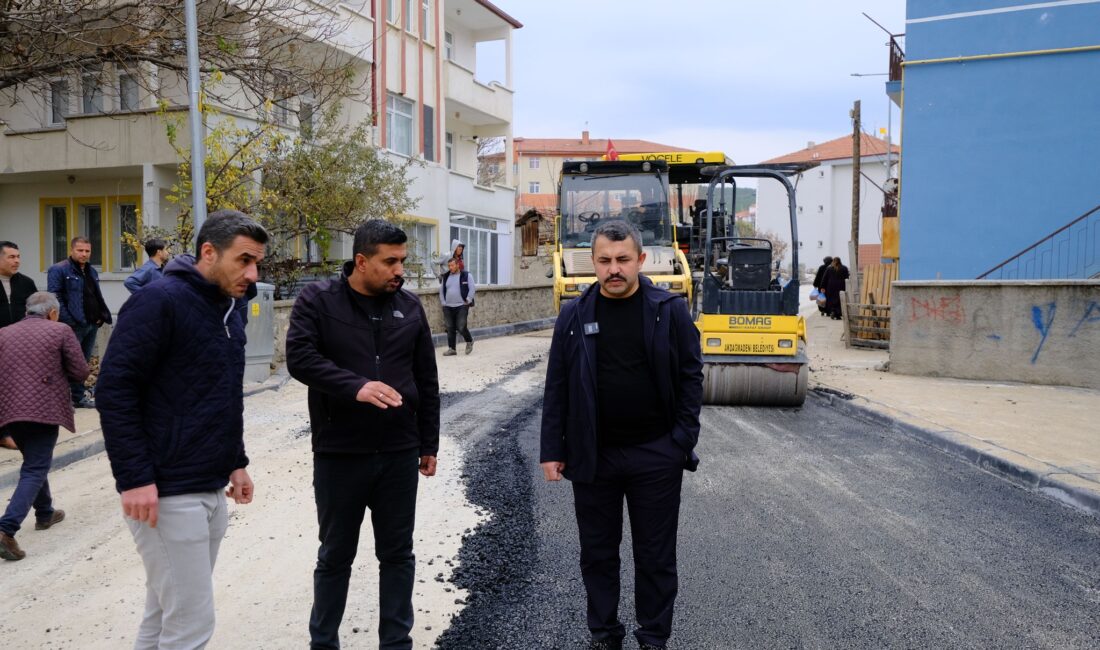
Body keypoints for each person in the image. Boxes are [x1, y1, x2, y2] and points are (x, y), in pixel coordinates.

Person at [96, 210, 268, 648]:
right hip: (168, 492)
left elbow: (221, 395)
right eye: (244, 260)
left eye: (257, 263)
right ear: (208, 252)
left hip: (209, 486)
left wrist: (236, 462)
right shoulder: (159, 300)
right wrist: (134, 478)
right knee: (190, 625)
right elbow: (115, 390)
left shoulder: (229, 309)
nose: (253, 273)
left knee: (164, 614)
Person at [540, 220, 704, 650]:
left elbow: (691, 375)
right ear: (593, 262)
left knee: (654, 555)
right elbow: (556, 384)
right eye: (605, 261)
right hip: (593, 457)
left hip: (656, 454)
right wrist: (551, 449)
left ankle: (653, 636)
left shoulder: (668, 310)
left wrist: (681, 441)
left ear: (640, 260)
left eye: (623, 260)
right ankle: (604, 633)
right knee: (597, 553)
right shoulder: (574, 315)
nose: (614, 269)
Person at [286, 219, 440, 650]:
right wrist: (355, 386)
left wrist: (429, 444)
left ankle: (396, 643)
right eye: (389, 261)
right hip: (340, 453)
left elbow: (426, 380)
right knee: (335, 556)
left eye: (402, 261)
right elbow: (299, 358)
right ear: (360, 261)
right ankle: (324, 644)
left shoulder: (410, 308)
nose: (399, 270)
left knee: (397, 555)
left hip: (398, 453)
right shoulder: (318, 301)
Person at [0, 292, 90, 561]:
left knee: (34, 462)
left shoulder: (3, 333)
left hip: (9, 410)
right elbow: (80, 372)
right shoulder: (60, 330)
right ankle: (6, 528)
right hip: (43, 410)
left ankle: (45, 513)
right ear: (52, 313)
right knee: (36, 467)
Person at [46, 236, 112, 408]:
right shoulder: (59, 269)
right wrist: (69, 321)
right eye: (80, 250)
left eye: (87, 251)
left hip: (91, 325)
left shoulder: (92, 271)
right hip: (72, 326)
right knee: (66, 362)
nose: (84, 254)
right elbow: (55, 296)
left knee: (82, 363)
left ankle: (78, 398)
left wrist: (101, 316)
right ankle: (62, 400)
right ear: (71, 250)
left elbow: (95, 295)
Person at [0, 240, 38, 450]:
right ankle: (3, 433)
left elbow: (35, 313)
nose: (17, 261)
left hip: (20, 346)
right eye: (11, 257)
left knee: (16, 390)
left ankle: (15, 430)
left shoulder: (26, 283)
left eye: (18, 257)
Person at [439, 257, 475, 356]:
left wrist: (468, 300)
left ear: (457, 265)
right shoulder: (445, 276)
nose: (450, 267)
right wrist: (443, 302)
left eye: (452, 265)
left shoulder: (466, 275)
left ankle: (469, 341)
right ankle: (452, 349)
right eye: (449, 266)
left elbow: (472, 288)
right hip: (448, 306)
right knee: (450, 327)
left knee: (461, 326)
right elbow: (441, 290)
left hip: (462, 306)